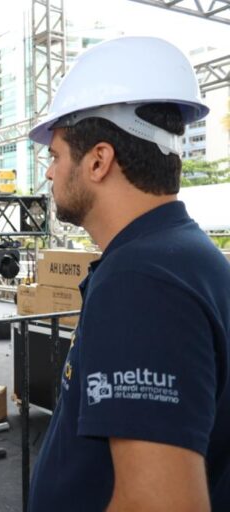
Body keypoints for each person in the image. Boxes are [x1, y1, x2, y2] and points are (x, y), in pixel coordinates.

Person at [27, 36, 230, 511]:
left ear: (98, 160)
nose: (50, 175)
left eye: (55, 157)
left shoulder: (143, 282)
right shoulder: (183, 256)